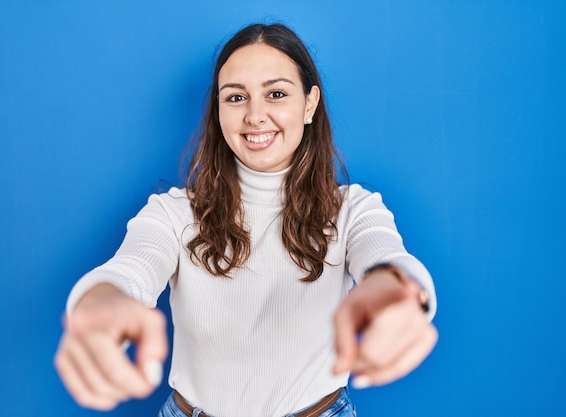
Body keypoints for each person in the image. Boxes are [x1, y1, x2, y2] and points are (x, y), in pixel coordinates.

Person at [54, 22, 438, 417]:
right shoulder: (172, 213)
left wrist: (399, 292)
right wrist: (97, 304)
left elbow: (389, 259)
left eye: (276, 94)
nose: (255, 115)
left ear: (309, 104)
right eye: (236, 97)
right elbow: (129, 271)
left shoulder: (353, 209)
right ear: (219, 111)